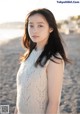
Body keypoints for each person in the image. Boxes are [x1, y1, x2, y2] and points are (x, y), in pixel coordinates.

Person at [14, 8, 70, 114]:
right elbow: (20, 94)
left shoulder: (54, 59)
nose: (34, 30)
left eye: (40, 25)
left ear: (51, 28)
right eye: (31, 25)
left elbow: (54, 102)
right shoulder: (28, 54)